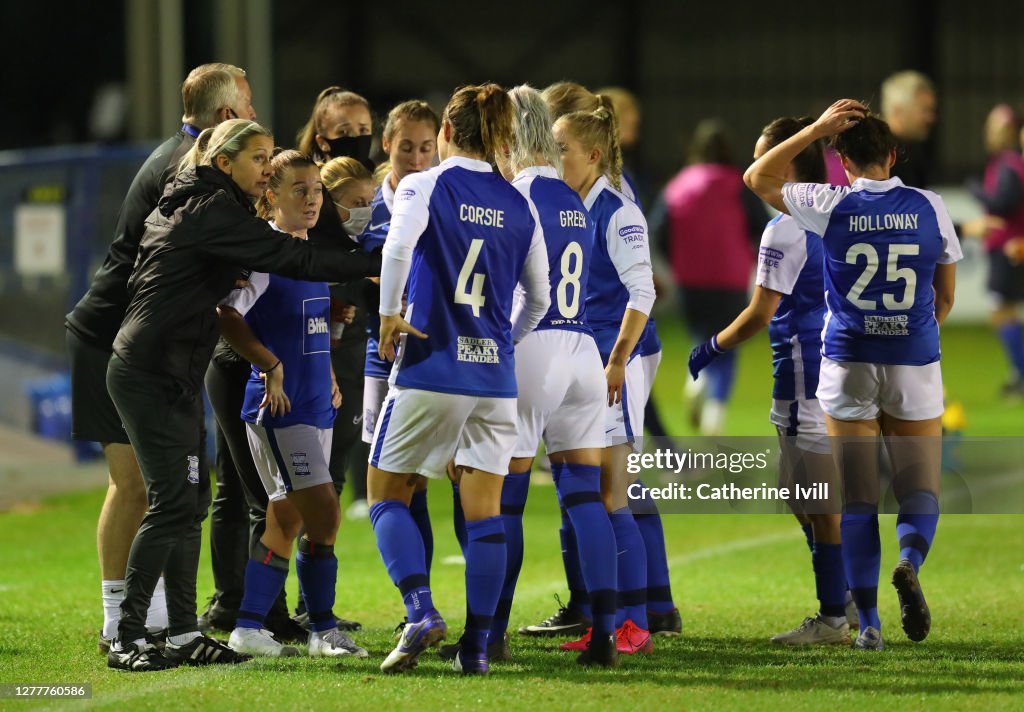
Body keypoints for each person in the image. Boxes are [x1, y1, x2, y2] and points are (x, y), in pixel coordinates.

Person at [104, 118, 381, 671]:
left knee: (196, 503)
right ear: (225, 163)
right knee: (183, 503)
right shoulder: (215, 213)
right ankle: (127, 635)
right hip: (154, 369)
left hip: (179, 370)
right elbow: (273, 276)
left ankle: (185, 632)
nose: (268, 168)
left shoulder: (212, 209)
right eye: (260, 160)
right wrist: (386, 265)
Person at [743, 100, 961, 650]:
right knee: (919, 491)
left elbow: (758, 177)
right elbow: (946, 296)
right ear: (892, 155)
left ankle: (868, 626)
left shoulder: (827, 202)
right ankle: (909, 562)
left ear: (840, 162)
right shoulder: (930, 205)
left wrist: (815, 128)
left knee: (858, 500)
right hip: (913, 360)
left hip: (848, 361)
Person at [64, 62, 254, 654]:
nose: (253, 117)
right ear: (226, 117)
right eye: (247, 106)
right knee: (138, 487)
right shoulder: (190, 165)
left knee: (174, 490)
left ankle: (171, 624)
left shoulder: (184, 154)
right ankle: (118, 623)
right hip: (112, 340)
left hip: (149, 346)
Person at [367, 83, 550, 676]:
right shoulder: (521, 204)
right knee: (485, 515)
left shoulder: (428, 183)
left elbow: (397, 249)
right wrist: (502, 343)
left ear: (446, 131)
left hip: (429, 367)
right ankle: (476, 649)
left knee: (385, 494)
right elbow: (539, 299)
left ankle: (419, 609)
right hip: (494, 380)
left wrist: (389, 313)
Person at [439, 84, 620, 667]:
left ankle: (490, 633)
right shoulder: (574, 197)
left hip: (533, 347)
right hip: (584, 350)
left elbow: (511, 291)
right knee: (586, 498)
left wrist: (499, 348)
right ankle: (605, 635)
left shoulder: (513, 195)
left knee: (501, 503)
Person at [689, 116, 853, 645]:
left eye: (768, 155)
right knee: (799, 492)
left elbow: (761, 313)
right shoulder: (842, 210)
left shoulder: (786, 227)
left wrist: (712, 346)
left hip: (804, 371)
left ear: (790, 166)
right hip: (828, 364)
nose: (754, 166)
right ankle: (843, 596)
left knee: (814, 496)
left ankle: (834, 614)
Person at [217, 150, 368, 659]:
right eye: (298, 190)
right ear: (271, 196)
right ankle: (322, 629)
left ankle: (249, 627)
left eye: (316, 191)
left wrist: (324, 371)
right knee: (324, 513)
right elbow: (227, 315)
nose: (310, 200)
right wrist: (268, 365)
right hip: (281, 408)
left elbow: (306, 322)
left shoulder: (306, 253)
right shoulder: (266, 253)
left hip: (315, 402)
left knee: (287, 519)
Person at [552, 99, 657, 656]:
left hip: (613, 367)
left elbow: (644, 291)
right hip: (583, 363)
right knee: (595, 495)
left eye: (561, 149)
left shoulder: (617, 211)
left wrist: (616, 359)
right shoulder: (570, 205)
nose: (553, 157)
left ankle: (634, 623)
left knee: (614, 495)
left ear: (593, 155)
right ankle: (609, 620)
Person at [356, 100, 440, 561]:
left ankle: (422, 597)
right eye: (406, 146)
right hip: (378, 354)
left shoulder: (444, 197)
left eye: (426, 147)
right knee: (388, 474)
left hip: (430, 354)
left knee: (419, 480)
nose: (416, 158)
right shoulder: (365, 203)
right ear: (386, 144)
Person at [663, 119, 768, 435]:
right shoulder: (739, 185)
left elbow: (659, 230)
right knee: (728, 341)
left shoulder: (677, 185)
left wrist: (677, 260)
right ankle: (715, 410)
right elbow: (761, 227)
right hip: (730, 277)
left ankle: (699, 377)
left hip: (690, 278)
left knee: (701, 333)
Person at [967, 105, 1024, 396]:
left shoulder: (1009, 163)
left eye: (996, 128)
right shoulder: (1009, 162)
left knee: (1001, 310)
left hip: (1010, 248)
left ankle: (1021, 374)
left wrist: (976, 190)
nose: (989, 133)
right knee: (1005, 310)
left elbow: (1004, 203)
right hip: (1010, 247)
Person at [881, 71, 937, 188]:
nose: (930, 118)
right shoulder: (874, 154)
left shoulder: (913, 151)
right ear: (898, 111)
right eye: (924, 110)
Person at [296, 86, 374, 168]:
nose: (356, 137)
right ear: (322, 143)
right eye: (344, 132)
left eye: (363, 130)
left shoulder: (382, 179)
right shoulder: (312, 180)